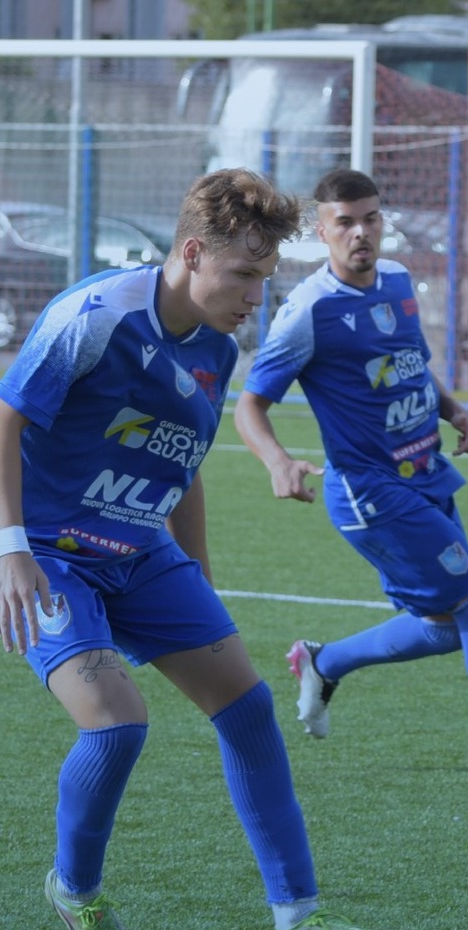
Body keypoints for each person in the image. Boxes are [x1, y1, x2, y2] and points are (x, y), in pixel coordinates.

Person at [0, 169, 366, 930]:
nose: (254, 297)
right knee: (117, 721)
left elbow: (183, 465)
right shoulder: (93, 316)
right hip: (49, 554)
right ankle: (75, 891)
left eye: (264, 278)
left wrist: (199, 578)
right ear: (193, 252)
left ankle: (298, 912)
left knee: (249, 707)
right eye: (243, 274)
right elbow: (5, 422)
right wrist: (11, 550)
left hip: (138, 548)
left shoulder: (218, 351)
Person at [234, 170, 468, 790]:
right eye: (344, 221)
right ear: (321, 231)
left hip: (428, 476)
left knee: (445, 627)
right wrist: (277, 462)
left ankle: (324, 662)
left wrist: (457, 413)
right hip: (372, 493)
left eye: (370, 217)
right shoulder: (309, 310)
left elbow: (412, 369)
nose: (361, 232)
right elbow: (249, 404)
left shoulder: (397, 282)